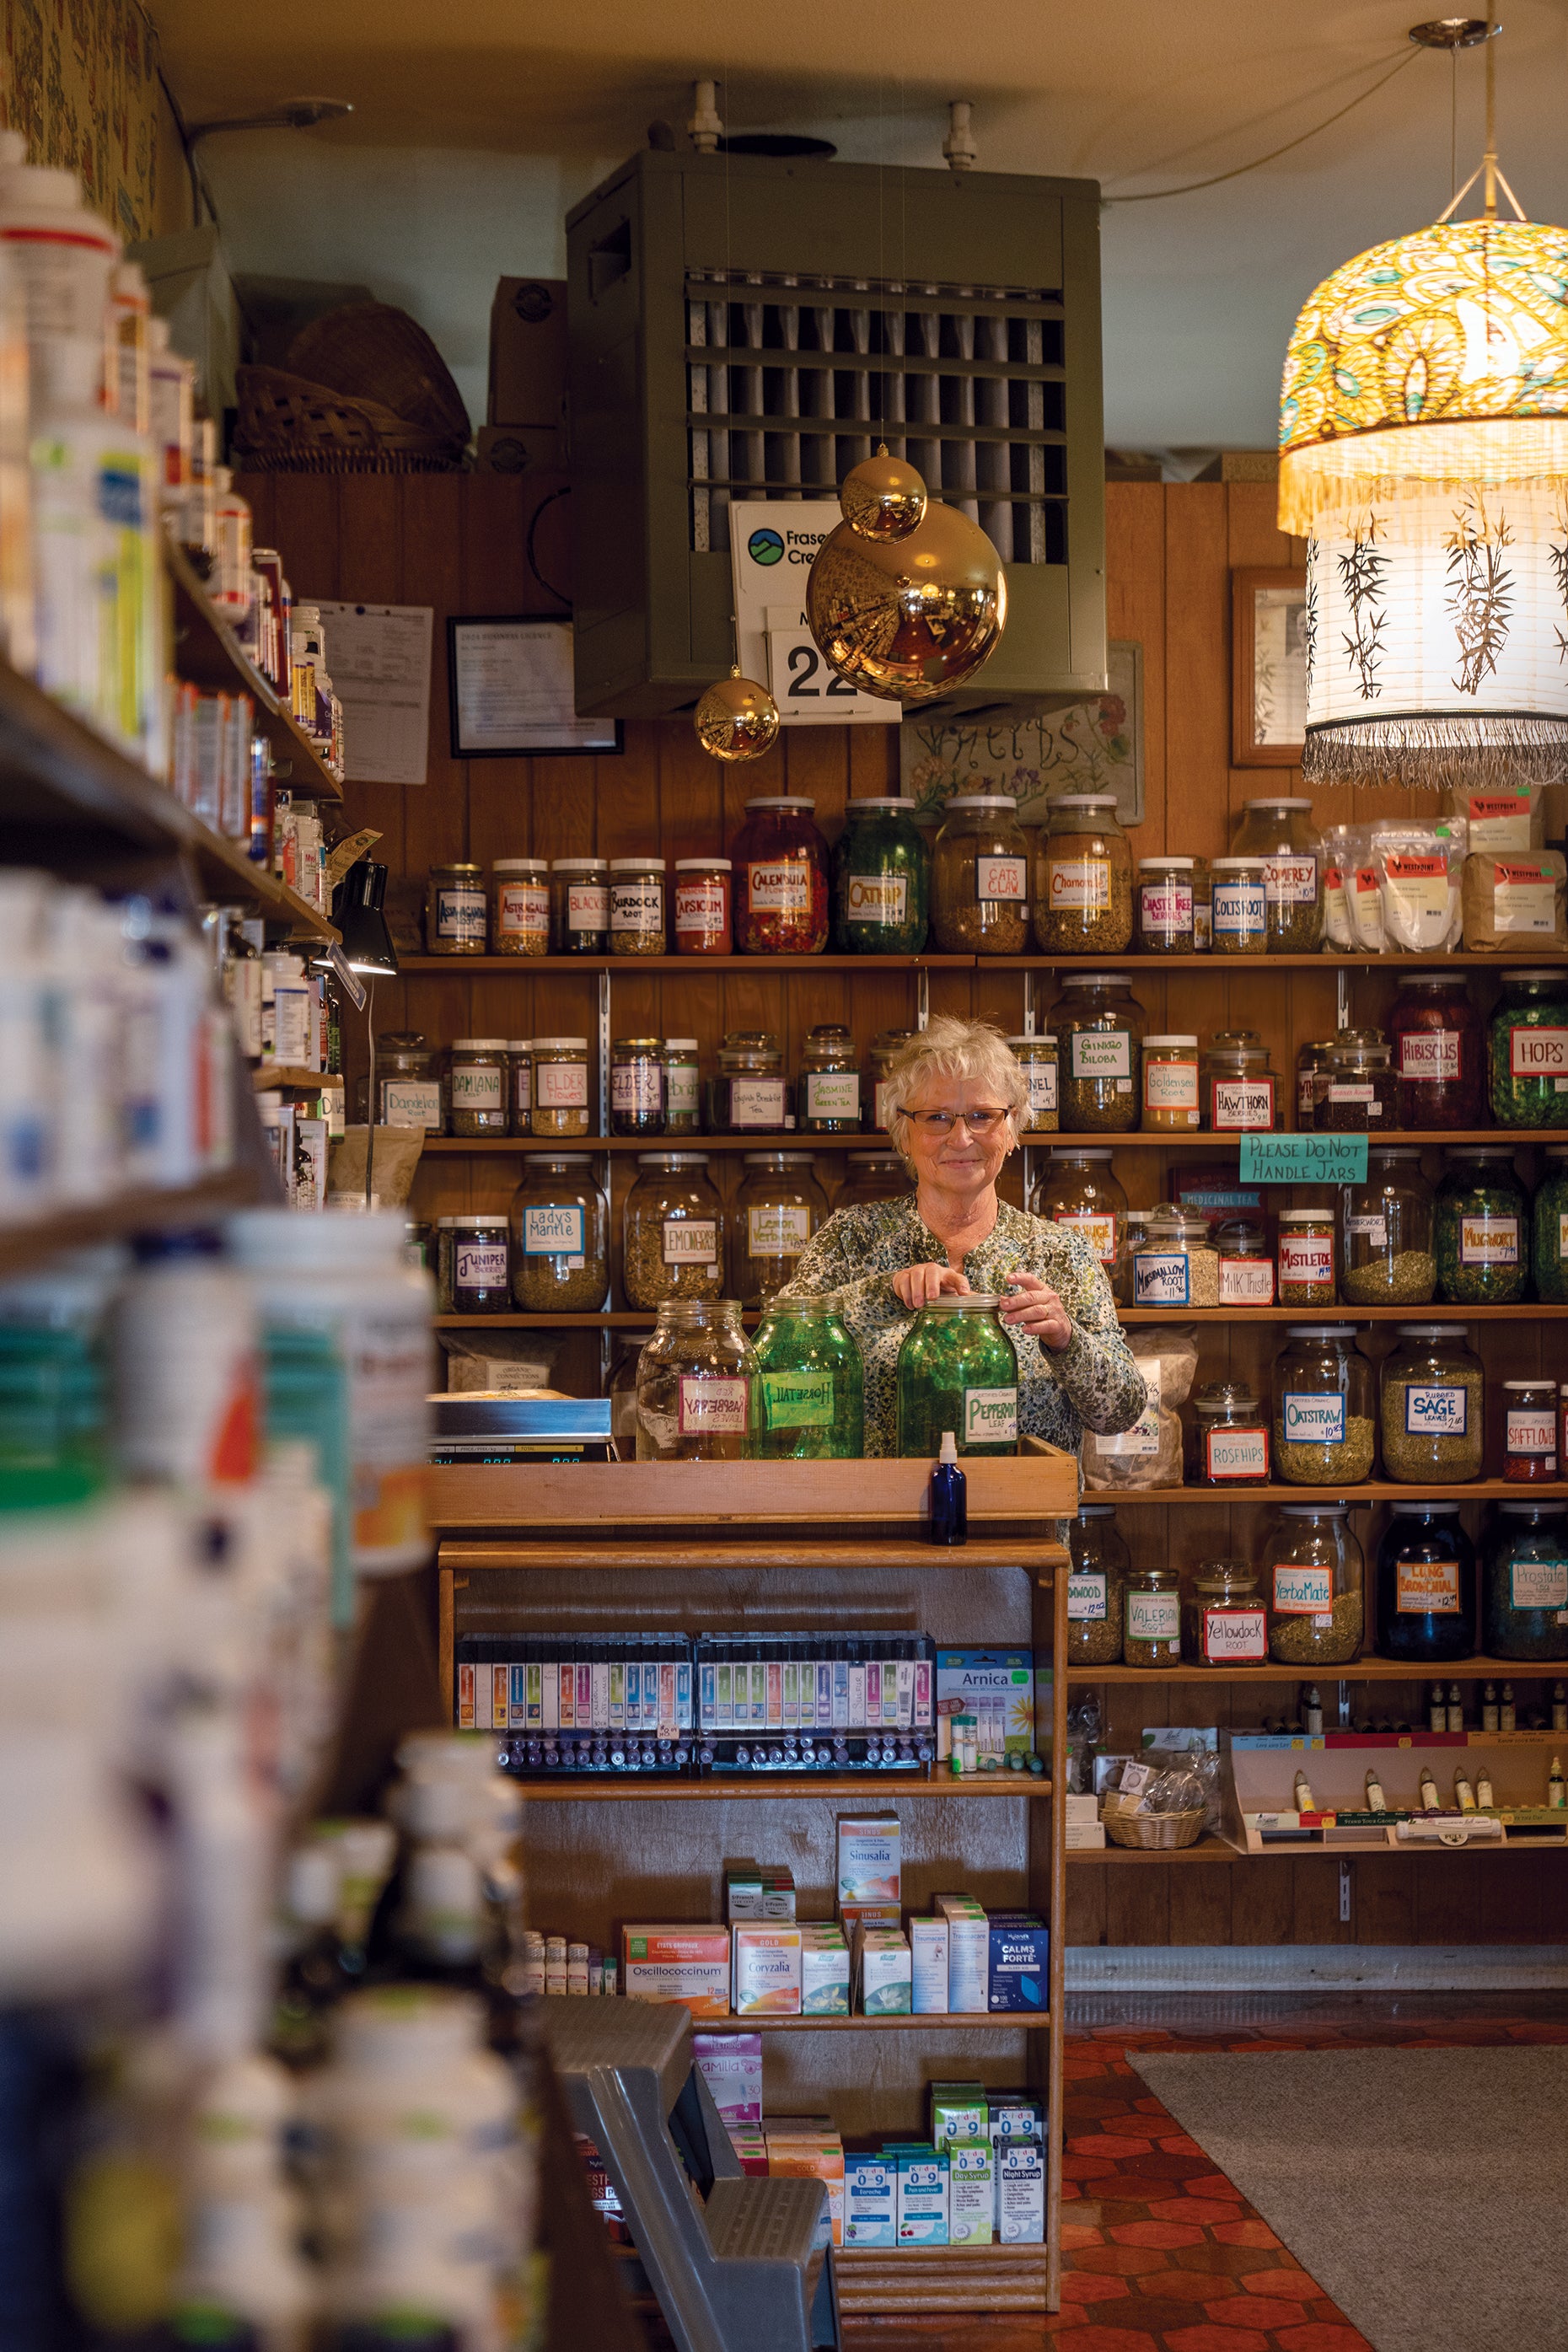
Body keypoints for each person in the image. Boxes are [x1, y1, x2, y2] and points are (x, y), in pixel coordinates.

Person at [781, 1016, 1148, 1457]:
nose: (960, 1137)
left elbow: (1121, 1414)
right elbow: (782, 1370)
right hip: (874, 1516)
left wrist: (1067, 1338)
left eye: (981, 1116)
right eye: (936, 1117)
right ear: (904, 1131)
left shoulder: (1060, 1253)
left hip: (1021, 1518)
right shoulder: (851, 1238)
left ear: (1011, 1130)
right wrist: (882, 1293)